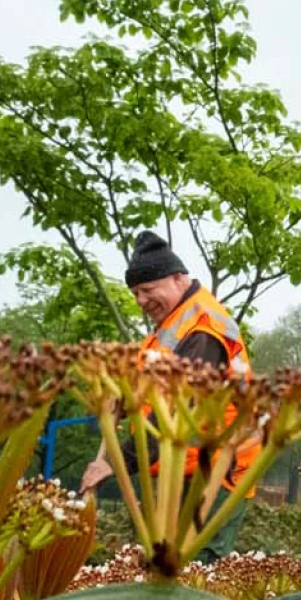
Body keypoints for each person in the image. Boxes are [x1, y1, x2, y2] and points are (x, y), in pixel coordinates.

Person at [80, 231, 257, 559]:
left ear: (177, 278)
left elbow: (173, 411)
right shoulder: (171, 324)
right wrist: (122, 395)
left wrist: (116, 463)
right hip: (178, 470)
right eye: (135, 294)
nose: (141, 301)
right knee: (160, 571)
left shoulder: (204, 329)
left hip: (215, 474)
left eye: (147, 290)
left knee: (193, 576)